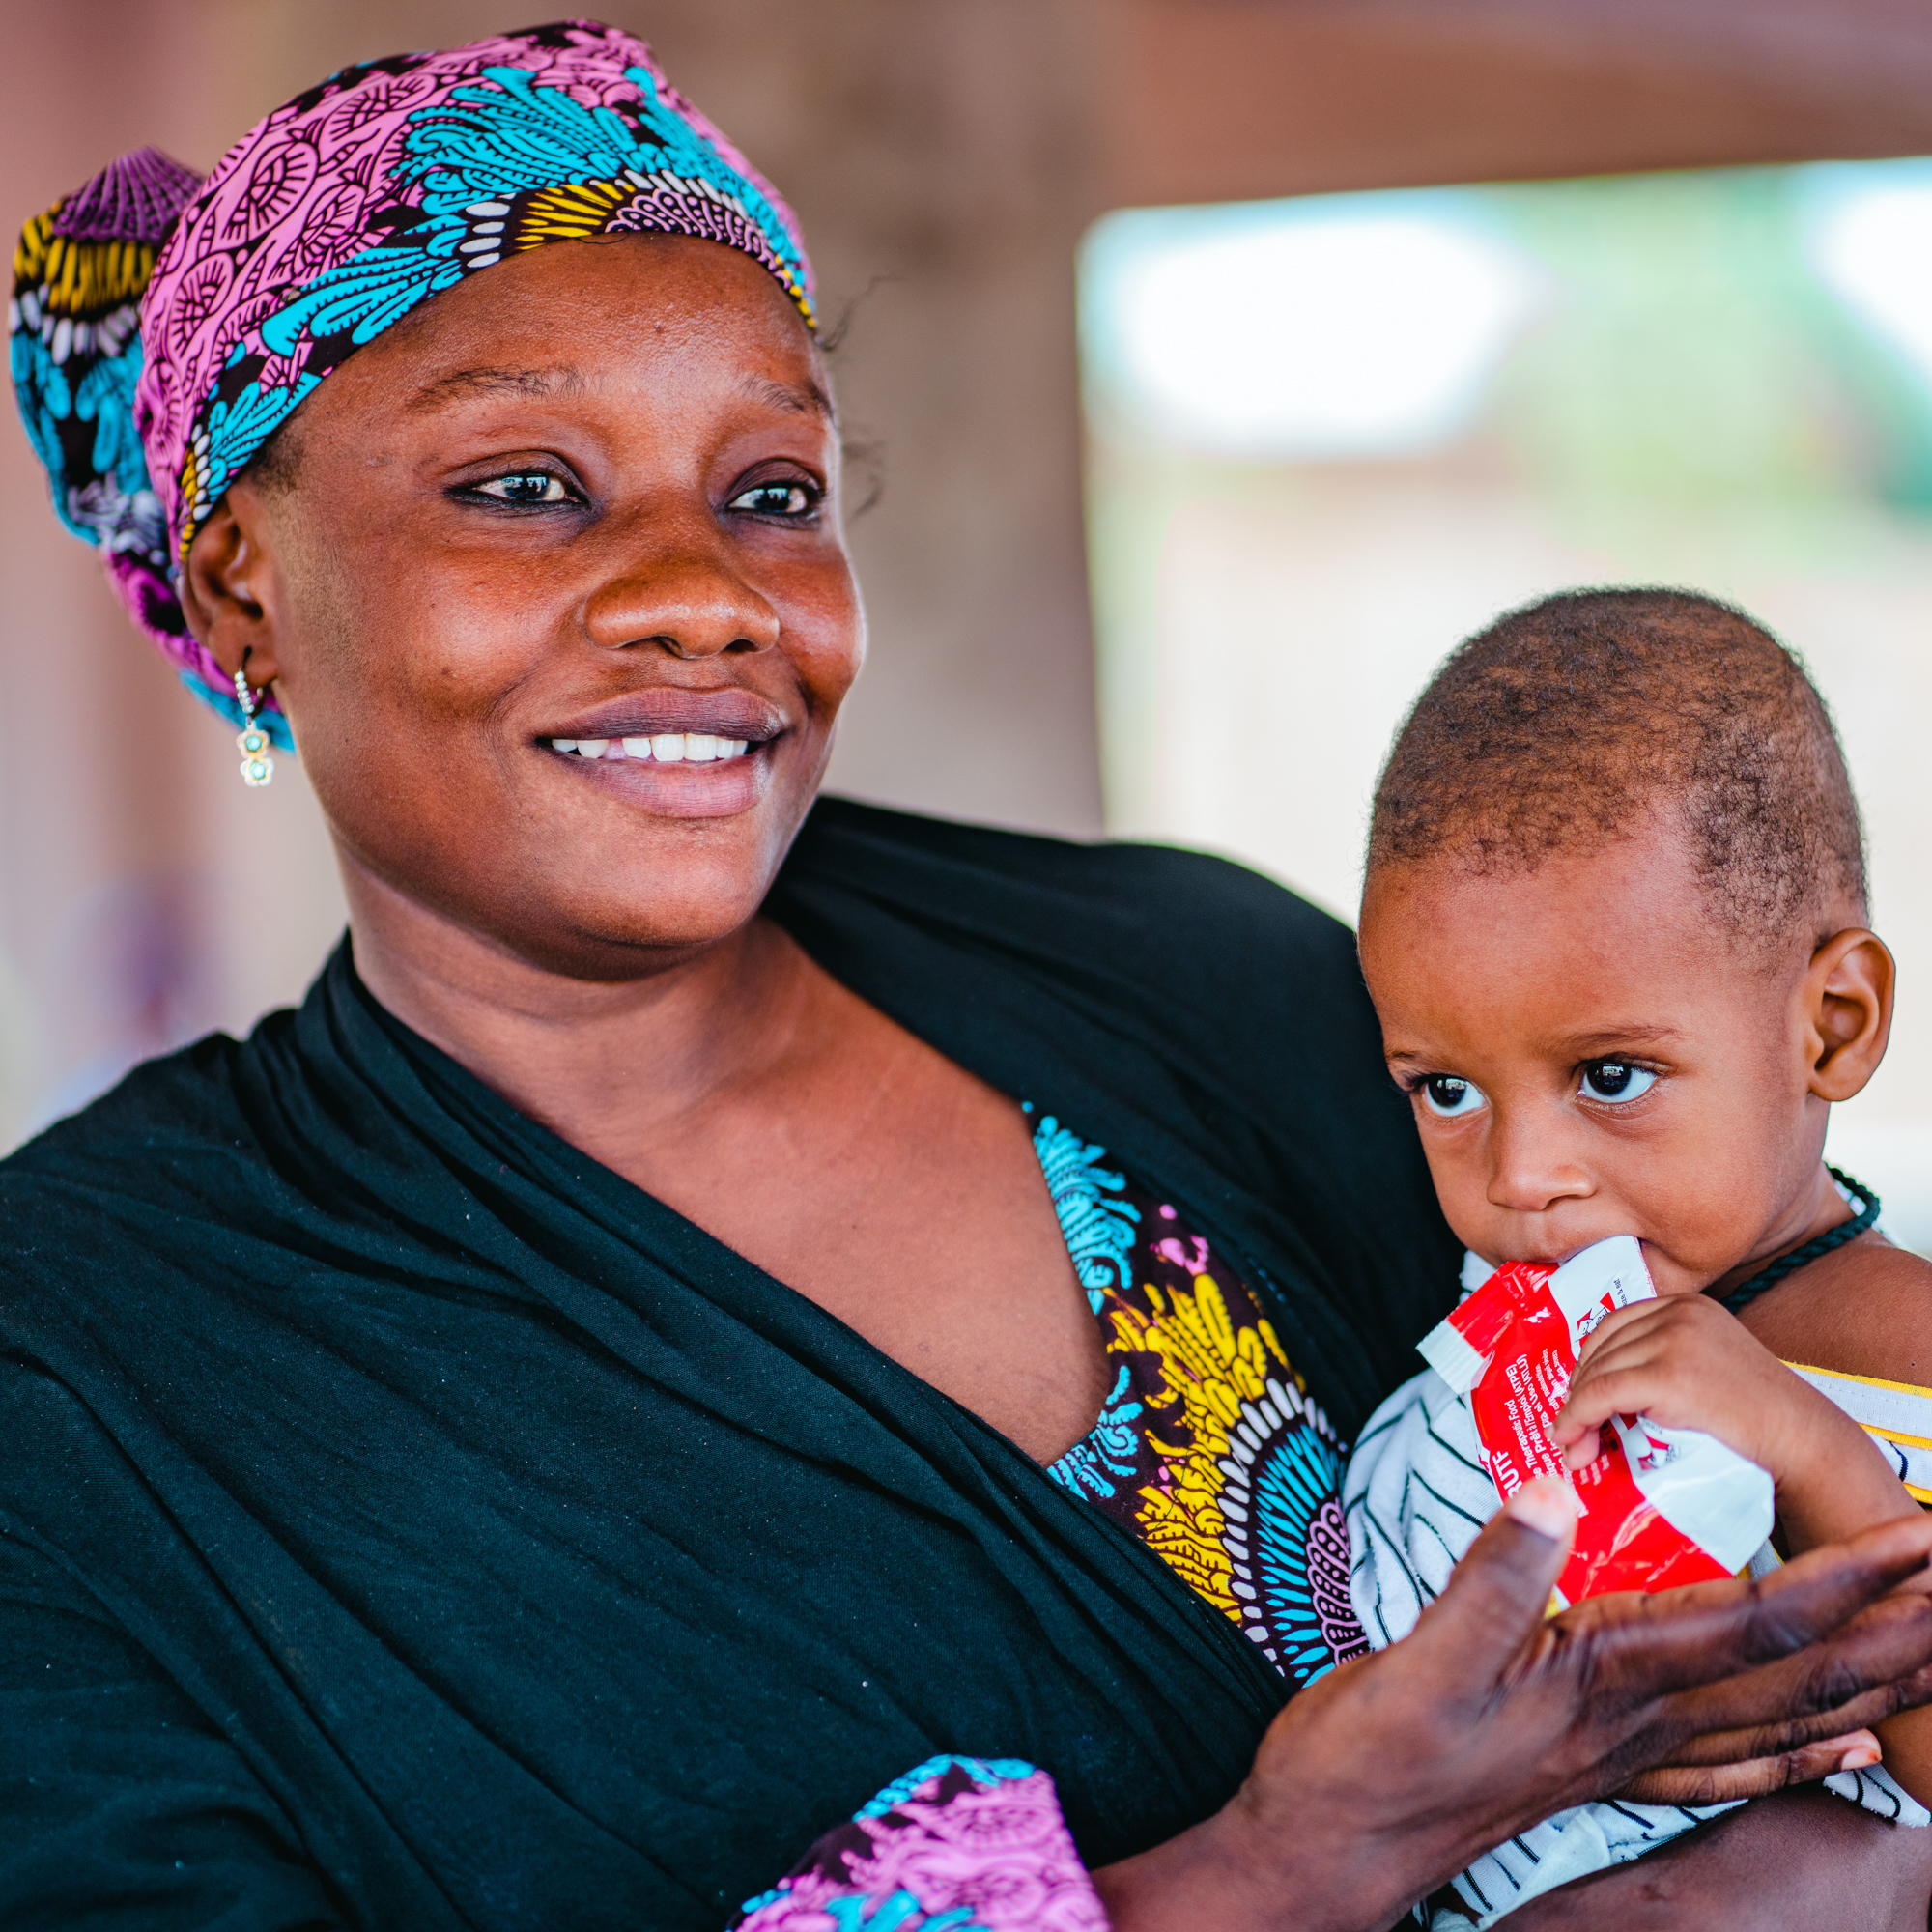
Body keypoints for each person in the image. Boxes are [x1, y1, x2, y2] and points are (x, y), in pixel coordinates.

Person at [9, 24, 1932, 1931]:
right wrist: (1280, 1867)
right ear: (241, 570)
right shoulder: (86, 1372)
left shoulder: (1198, 983)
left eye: (771, 488)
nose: (709, 589)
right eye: (523, 484)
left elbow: (1793, 1385)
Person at [1348, 589, 1932, 1925]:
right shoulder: (1500, 1337)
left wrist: (1808, 1452)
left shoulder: (1907, 1354)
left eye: (1611, 1075)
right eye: (1445, 1091)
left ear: (1831, 1029)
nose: (1520, 1176)